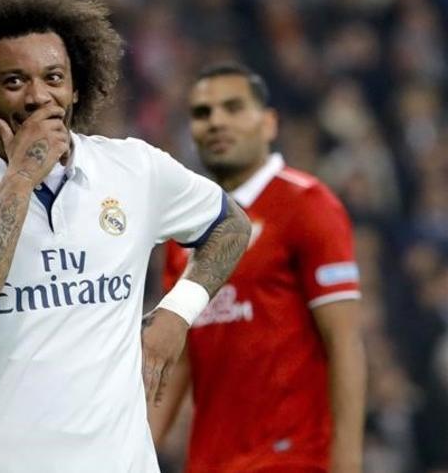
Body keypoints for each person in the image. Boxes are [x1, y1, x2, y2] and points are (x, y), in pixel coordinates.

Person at [0, 0, 252, 472]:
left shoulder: (135, 170)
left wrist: (177, 312)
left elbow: (232, 225)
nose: (38, 96)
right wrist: (22, 175)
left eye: (53, 77)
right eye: (14, 81)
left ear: (75, 89)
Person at [149, 62, 366, 472]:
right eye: (202, 113)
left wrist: (348, 465)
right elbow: (178, 358)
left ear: (269, 123)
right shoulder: (185, 231)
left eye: (233, 108)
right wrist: (132, 452)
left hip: (294, 459)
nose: (216, 121)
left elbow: (345, 344)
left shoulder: (308, 205)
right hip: (210, 462)